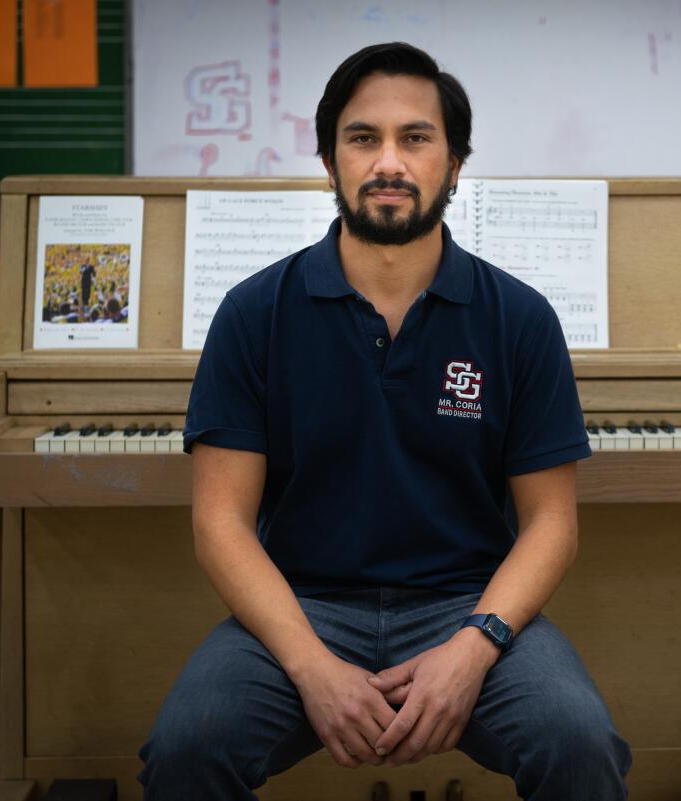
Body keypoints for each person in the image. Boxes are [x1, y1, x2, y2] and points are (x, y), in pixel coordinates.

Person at [137, 42, 630, 800]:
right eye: (363, 138)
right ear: (330, 163)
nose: (389, 162)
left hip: (468, 605)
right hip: (301, 606)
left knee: (579, 741)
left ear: (455, 164)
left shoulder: (521, 319)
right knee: (186, 747)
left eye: (416, 138)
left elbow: (551, 524)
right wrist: (310, 664)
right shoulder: (253, 313)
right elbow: (221, 525)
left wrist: (474, 647)